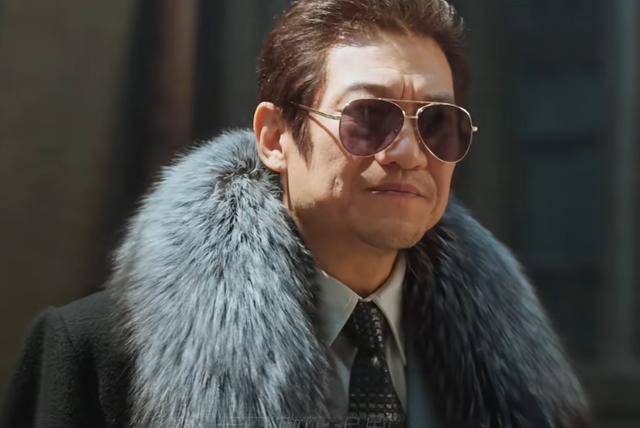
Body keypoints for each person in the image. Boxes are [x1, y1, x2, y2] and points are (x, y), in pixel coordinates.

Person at [1, 0, 591, 427]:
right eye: (369, 118)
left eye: (438, 123)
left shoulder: (512, 369)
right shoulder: (96, 354)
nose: (411, 154)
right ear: (275, 137)